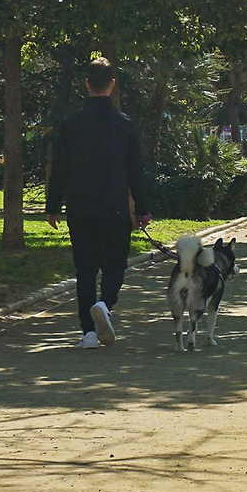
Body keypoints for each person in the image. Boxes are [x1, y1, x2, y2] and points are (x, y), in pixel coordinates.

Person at [46, 58, 152, 349]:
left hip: (80, 206)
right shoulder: (125, 125)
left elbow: (60, 168)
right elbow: (135, 172)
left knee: (85, 269)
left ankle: (88, 333)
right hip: (114, 206)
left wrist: (52, 205)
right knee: (115, 265)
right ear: (113, 85)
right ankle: (105, 304)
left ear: (86, 84)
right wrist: (141, 209)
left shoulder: (71, 123)